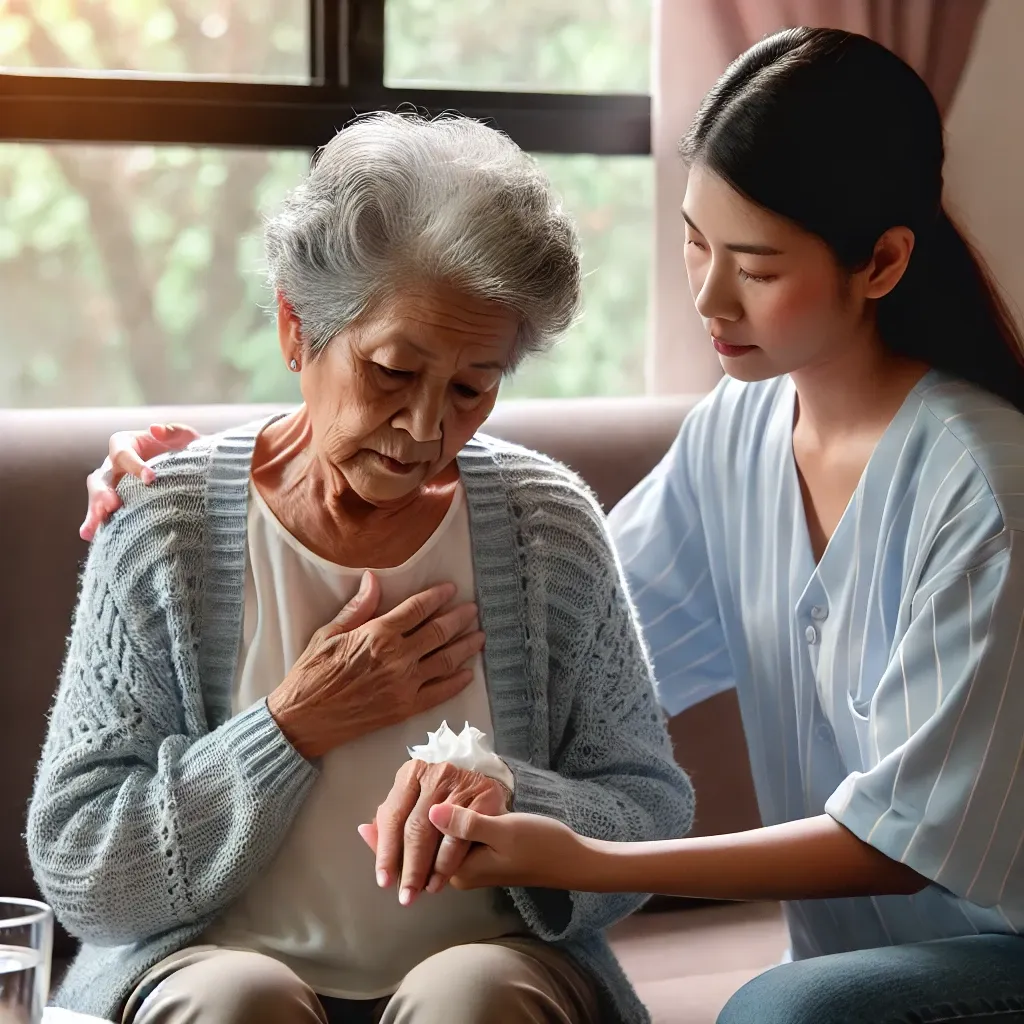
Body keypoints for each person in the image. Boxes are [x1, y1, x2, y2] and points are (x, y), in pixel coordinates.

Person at [91, 28, 1024, 1024]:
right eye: (695, 239)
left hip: (989, 951)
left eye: (754, 266)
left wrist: (593, 855)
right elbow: (546, 640)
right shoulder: (739, 432)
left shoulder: (985, 485)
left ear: (878, 263)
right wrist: (231, 480)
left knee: (783, 1015)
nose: (706, 294)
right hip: (856, 974)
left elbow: (910, 835)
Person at [29, 111, 693, 1024]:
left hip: (493, 971)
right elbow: (82, 865)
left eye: (471, 387)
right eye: (390, 371)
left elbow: (648, 813)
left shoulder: (546, 528)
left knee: (477, 996)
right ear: (296, 328)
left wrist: (513, 794)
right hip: (211, 972)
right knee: (238, 1003)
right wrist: (292, 725)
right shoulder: (161, 525)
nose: (427, 428)